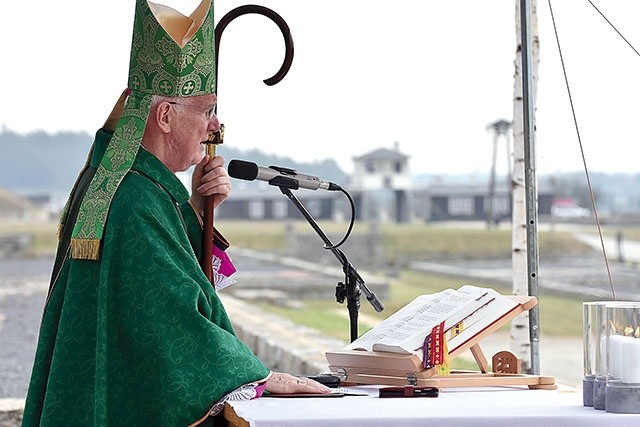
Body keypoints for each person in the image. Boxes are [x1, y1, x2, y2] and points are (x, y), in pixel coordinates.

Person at [22, 1, 328, 426]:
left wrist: (199, 212)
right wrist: (258, 376)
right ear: (165, 115)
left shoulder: (128, 183)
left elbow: (164, 290)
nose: (214, 127)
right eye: (206, 110)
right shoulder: (136, 201)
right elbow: (172, 320)